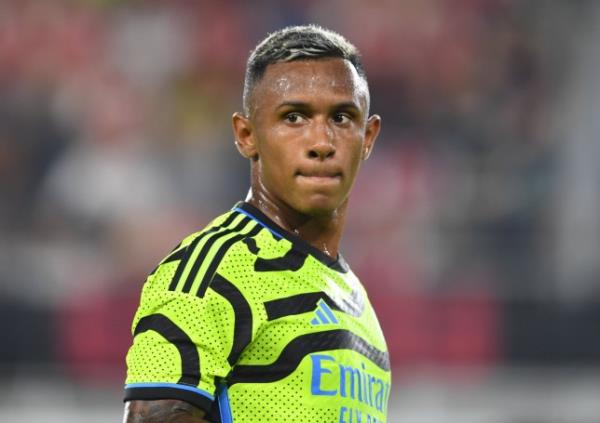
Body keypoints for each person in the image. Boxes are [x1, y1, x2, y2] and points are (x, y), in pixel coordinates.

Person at [123, 24, 390, 423]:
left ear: (367, 137)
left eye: (341, 116)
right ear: (246, 135)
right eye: (294, 117)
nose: (321, 142)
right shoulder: (210, 275)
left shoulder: (354, 297)